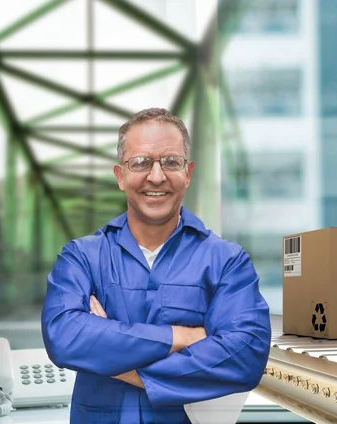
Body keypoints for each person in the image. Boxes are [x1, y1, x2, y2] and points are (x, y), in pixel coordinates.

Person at [41, 107, 271, 424]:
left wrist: (117, 362)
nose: (157, 176)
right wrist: (182, 337)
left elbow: (244, 357)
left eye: (171, 162)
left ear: (188, 173)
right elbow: (64, 337)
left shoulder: (226, 262)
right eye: (141, 163)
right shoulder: (82, 257)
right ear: (120, 176)